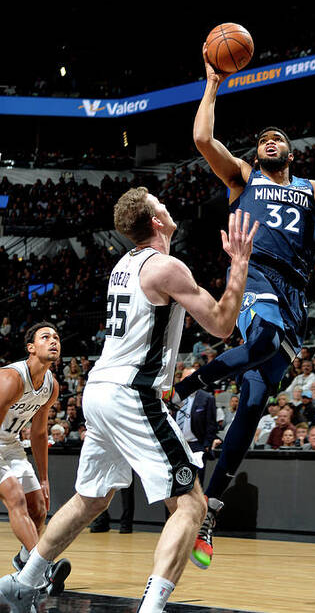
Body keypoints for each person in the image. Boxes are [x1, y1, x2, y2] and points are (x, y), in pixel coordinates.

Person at [0, 188, 258, 613]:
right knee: (191, 504)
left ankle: (24, 581)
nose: (169, 207)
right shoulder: (165, 267)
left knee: (91, 499)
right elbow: (222, 324)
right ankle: (151, 609)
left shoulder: (123, 265)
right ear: (156, 220)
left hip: (99, 390)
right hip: (131, 392)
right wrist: (239, 265)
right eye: (163, 204)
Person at [172, 45, 315, 569]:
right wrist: (213, 84)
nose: (269, 141)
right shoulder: (243, 178)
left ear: (290, 153)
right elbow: (201, 139)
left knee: (256, 401)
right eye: (263, 138)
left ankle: (208, 512)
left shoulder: (310, 188)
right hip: (253, 276)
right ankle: (184, 387)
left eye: (278, 139)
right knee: (260, 341)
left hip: (294, 294)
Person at [0, 322, 71, 596]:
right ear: (31, 348)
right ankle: (43, 568)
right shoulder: (12, 378)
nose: (53, 340)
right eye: (45, 337)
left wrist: (44, 478)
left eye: (56, 337)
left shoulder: (50, 386)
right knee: (15, 498)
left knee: (39, 508)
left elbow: (40, 433)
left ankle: (23, 560)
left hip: (12, 443)